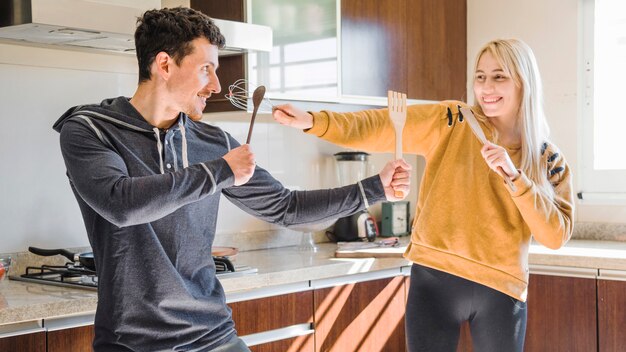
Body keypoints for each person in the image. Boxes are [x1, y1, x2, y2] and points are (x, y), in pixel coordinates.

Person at [52, 7, 411, 352]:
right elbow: (121, 204)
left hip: (215, 336)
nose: (217, 85)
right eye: (206, 68)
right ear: (165, 64)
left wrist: (374, 187)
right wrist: (222, 170)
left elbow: (287, 207)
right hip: (133, 343)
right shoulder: (90, 130)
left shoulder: (213, 143)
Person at [272, 39, 574, 351]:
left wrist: (515, 177)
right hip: (434, 281)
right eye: (480, 76)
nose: (486, 87)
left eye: (499, 76)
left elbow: (555, 236)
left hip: (502, 289)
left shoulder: (548, 159)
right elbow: (377, 125)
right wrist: (314, 121)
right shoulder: (453, 120)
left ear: (524, 82)